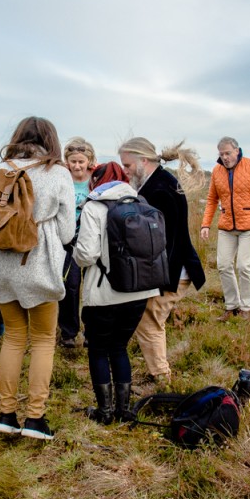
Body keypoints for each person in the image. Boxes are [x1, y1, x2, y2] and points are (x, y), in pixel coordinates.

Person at [0, 116, 76, 440]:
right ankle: (34, 419)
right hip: (37, 264)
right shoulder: (57, 173)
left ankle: (5, 415)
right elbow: (69, 232)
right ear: (51, 140)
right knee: (43, 340)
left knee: (14, 337)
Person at [74, 162, 160, 424]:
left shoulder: (94, 206)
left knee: (99, 350)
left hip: (104, 293)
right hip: (139, 290)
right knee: (120, 347)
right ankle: (123, 410)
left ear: (96, 181)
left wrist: (75, 254)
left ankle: (105, 412)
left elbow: (87, 254)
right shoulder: (142, 202)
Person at [117, 137, 206, 385]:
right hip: (169, 267)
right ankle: (159, 373)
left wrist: (162, 278)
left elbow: (165, 239)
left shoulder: (160, 190)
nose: (125, 171)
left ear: (143, 160)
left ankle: (162, 378)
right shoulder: (156, 182)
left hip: (172, 269)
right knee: (151, 319)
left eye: (128, 165)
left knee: (149, 320)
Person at [200, 137, 250, 321]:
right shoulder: (217, 171)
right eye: (221, 154)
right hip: (226, 227)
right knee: (224, 265)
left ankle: (246, 308)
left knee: (244, 266)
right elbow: (212, 200)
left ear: (237, 150)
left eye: (227, 153)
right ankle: (232, 306)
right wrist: (205, 224)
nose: (225, 157)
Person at [58, 137, 96, 348]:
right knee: (70, 286)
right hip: (68, 241)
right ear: (67, 161)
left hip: (90, 239)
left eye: (81, 161)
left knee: (91, 288)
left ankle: (91, 331)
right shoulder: (63, 180)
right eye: (73, 161)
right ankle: (68, 333)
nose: (77, 165)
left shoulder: (95, 180)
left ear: (89, 160)